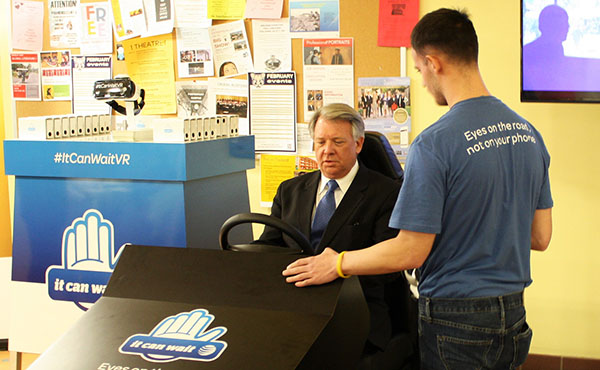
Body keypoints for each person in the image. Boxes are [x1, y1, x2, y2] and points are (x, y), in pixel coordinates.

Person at [283, 8, 553, 370]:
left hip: (455, 317)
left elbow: (410, 251)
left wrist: (339, 263)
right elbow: (540, 236)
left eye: (419, 69)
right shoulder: (528, 134)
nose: (422, 81)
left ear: (433, 62)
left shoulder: (435, 143)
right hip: (512, 311)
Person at [256, 103, 412, 368]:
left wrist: (340, 265)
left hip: (355, 313)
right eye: (320, 142)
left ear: (359, 144)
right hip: (295, 308)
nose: (327, 151)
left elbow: (388, 267)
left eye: (338, 142)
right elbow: (269, 246)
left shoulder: (386, 193)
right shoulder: (290, 191)